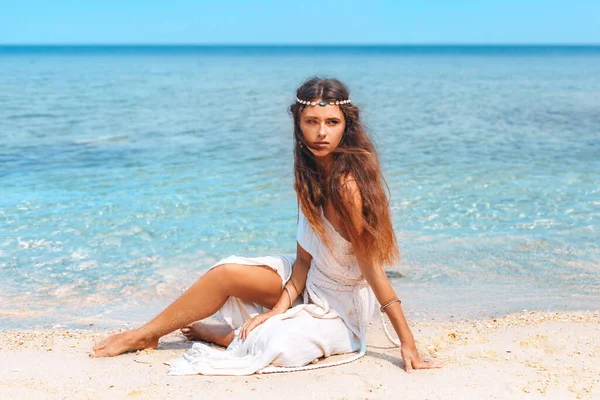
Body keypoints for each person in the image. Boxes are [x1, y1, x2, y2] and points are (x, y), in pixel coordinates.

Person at [90, 77, 443, 375]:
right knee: (225, 272)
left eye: (332, 122)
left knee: (276, 344)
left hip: (341, 302)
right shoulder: (309, 175)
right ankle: (146, 334)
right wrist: (278, 308)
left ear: (346, 125)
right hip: (309, 279)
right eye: (312, 121)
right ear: (298, 123)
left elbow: (371, 269)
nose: (321, 132)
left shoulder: (348, 187)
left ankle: (223, 336)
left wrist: (406, 341)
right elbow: (304, 261)